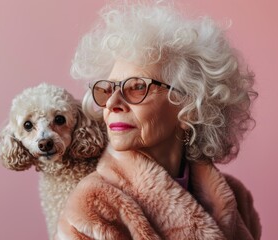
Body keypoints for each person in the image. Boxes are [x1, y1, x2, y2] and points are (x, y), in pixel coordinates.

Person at [55, 2, 261, 239]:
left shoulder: (235, 198)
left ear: (190, 106)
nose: (112, 103)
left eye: (137, 87)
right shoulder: (91, 207)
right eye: (107, 89)